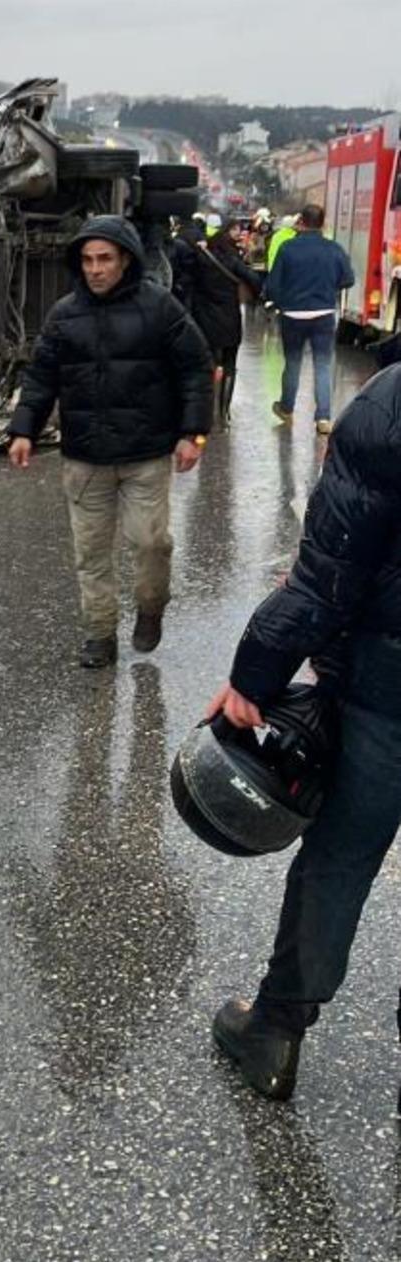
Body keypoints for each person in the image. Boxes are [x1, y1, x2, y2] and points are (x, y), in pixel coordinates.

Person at [206, 362, 401, 1101]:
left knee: (339, 860)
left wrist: (253, 678)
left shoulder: (388, 407)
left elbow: (328, 575)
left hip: (385, 691)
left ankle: (275, 1033)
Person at [8, 217, 213, 668]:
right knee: (91, 553)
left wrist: (192, 434)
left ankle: (151, 606)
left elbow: (195, 368)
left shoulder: (159, 308)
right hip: (85, 458)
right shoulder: (63, 315)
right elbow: (41, 377)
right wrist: (24, 430)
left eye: (104, 259)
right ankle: (100, 633)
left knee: (151, 543)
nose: (95, 269)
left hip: (145, 454)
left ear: (126, 260)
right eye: (87, 260)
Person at [265, 204, 355, 434]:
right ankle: (323, 417)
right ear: (323, 224)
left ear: (301, 222)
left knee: (293, 363)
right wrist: (329, 287)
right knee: (323, 365)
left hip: (293, 315)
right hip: (323, 314)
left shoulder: (287, 248)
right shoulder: (334, 249)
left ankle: (286, 408)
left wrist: (281, 302)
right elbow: (348, 279)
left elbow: (273, 285)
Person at [186, 216, 262, 429]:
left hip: (203, 319)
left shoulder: (201, 257)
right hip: (229, 319)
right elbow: (254, 280)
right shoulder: (232, 259)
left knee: (207, 364)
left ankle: (206, 410)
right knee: (229, 365)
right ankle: (223, 412)